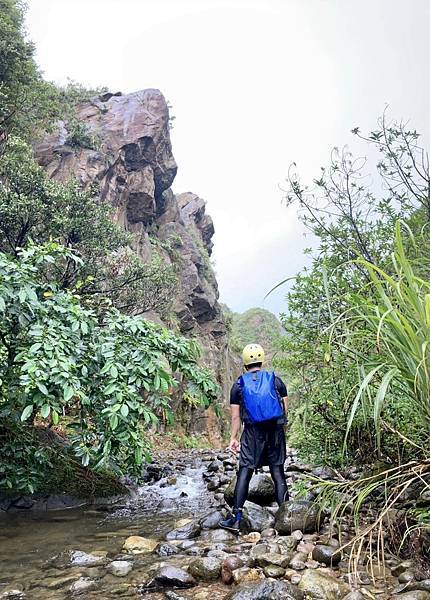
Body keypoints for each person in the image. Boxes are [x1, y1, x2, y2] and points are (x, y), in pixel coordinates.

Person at [219, 343, 289, 533]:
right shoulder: (276, 381)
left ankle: (236, 517)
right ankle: (286, 516)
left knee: (245, 472)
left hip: (251, 434)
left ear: (244, 363)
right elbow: (284, 408)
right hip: (274, 431)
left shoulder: (238, 385)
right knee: (277, 472)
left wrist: (233, 438)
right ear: (262, 359)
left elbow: (235, 416)